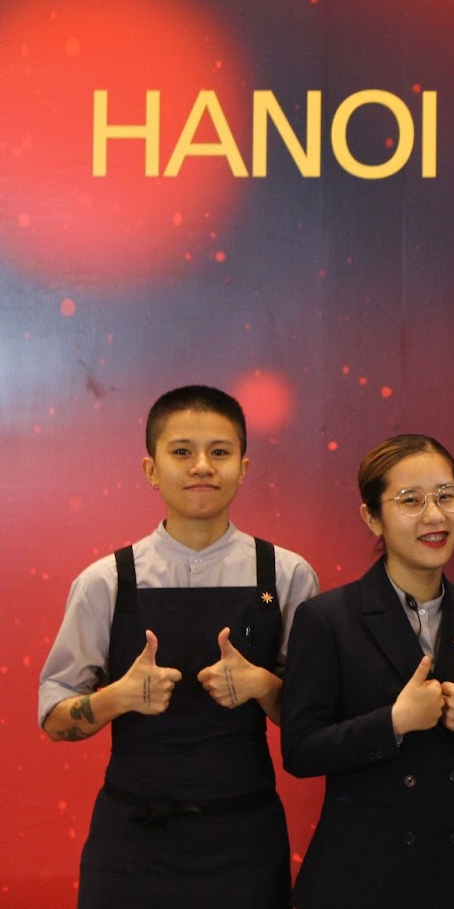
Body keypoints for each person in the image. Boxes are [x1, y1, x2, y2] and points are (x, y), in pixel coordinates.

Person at [37, 385, 320, 909]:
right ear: (151, 469)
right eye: (182, 451)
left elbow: (314, 722)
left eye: (220, 451)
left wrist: (262, 685)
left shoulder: (287, 575)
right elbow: (54, 719)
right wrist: (118, 697)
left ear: (244, 467)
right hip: (132, 843)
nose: (202, 466)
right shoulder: (105, 582)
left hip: (245, 841)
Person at [281, 434, 454, 908]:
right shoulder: (328, 618)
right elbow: (301, 751)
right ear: (372, 517)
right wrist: (392, 722)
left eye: (446, 495)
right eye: (410, 501)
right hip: (363, 876)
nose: (435, 516)